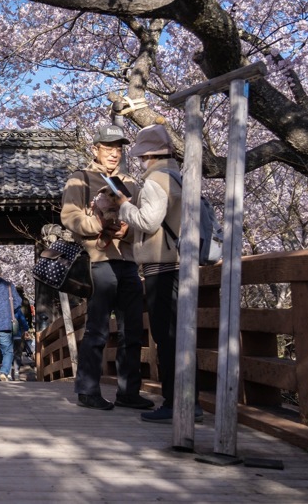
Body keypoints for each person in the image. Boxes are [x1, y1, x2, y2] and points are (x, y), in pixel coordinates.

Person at [60, 124, 153, 411]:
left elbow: (142, 222)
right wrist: (97, 225)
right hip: (98, 260)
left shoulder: (131, 183)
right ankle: (88, 389)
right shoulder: (80, 179)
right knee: (98, 327)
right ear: (96, 149)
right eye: (108, 147)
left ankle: (128, 391)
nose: (114, 153)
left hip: (127, 261)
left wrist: (124, 232)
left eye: (119, 148)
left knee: (133, 329)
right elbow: (70, 217)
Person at [115, 124, 204, 424]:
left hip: (162, 264)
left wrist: (124, 206)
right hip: (183, 263)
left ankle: (173, 401)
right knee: (181, 335)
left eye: (141, 156)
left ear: (148, 155)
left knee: (166, 337)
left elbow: (149, 221)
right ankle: (192, 402)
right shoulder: (179, 176)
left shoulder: (155, 180)